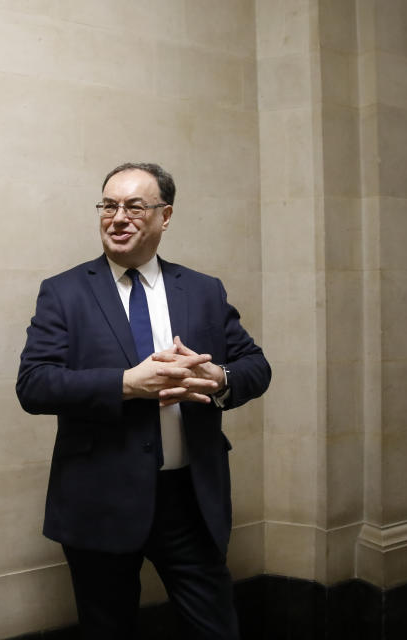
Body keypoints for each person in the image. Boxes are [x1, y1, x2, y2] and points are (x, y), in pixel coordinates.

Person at [16, 162, 271, 639]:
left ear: (165, 215)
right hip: (100, 498)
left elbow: (256, 367)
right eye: (108, 206)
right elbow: (34, 384)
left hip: (189, 501)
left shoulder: (202, 290)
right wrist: (127, 384)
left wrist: (218, 378)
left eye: (134, 206)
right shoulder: (64, 292)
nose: (118, 217)